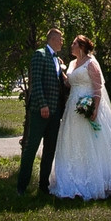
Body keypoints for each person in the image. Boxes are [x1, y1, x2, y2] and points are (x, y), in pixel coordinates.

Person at [48, 33, 111, 199]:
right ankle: (75, 178)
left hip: (88, 103)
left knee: (93, 142)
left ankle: (99, 180)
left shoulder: (91, 63)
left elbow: (97, 88)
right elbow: (69, 83)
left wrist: (95, 109)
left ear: (82, 47)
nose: (71, 46)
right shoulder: (71, 63)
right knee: (74, 141)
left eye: (74, 44)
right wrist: (61, 71)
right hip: (73, 107)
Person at [16, 27, 68, 194]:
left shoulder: (57, 60)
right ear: (53, 39)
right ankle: (22, 187)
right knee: (32, 148)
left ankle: (43, 186)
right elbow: (36, 82)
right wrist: (43, 104)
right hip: (40, 111)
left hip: (55, 113)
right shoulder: (40, 54)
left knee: (49, 149)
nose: (62, 42)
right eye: (60, 39)